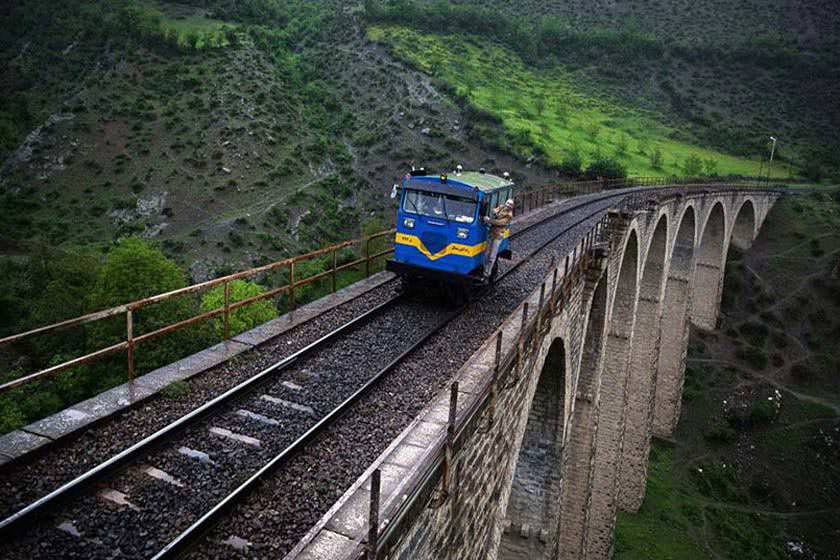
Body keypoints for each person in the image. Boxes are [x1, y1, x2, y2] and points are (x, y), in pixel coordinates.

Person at [482, 198, 514, 278]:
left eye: (510, 204)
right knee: (486, 253)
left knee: (492, 256)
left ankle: (487, 273)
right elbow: (494, 210)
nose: (508, 205)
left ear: (512, 206)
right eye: (508, 203)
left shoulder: (509, 216)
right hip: (491, 233)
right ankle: (484, 268)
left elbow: (499, 223)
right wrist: (494, 211)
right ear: (505, 202)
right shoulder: (501, 207)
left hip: (498, 236)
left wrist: (489, 220)